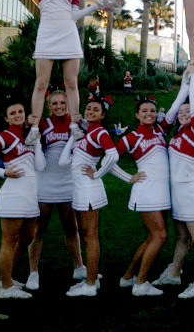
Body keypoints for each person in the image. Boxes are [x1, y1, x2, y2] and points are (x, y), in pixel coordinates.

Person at [0, 0, 109, 146]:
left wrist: (96, 7)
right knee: (41, 82)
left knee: (71, 83)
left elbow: (74, 16)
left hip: (68, 34)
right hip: (46, 34)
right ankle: (34, 126)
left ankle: (74, 124)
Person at [58, 94, 129, 297]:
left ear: (103, 114)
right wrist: (73, 134)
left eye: (95, 110)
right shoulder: (89, 134)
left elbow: (113, 155)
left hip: (89, 190)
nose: (90, 112)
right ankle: (91, 277)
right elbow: (64, 162)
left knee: (91, 237)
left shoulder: (100, 133)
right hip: (80, 191)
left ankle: (90, 284)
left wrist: (97, 173)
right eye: (88, 109)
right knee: (87, 235)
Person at [0, 97, 45, 299]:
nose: (17, 115)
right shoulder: (3, 137)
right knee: (10, 240)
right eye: (12, 113)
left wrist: (37, 141)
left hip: (30, 196)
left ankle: (3, 279)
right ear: (7, 118)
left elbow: (40, 166)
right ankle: (7, 287)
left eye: (20, 112)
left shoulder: (29, 137)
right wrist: (3, 173)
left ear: (25, 115)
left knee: (27, 238)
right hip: (13, 195)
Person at [152, 72, 194, 299]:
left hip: (193, 192)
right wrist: (186, 85)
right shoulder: (177, 133)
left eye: (189, 111)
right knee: (182, 238)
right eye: (181, 112)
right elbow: (170, 114)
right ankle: (174, 272)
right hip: (178, 192)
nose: (184, 113)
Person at [25, 90, 85, 291]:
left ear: (68, 104)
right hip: (45, 184)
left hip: (68, 183)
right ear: (49, 105)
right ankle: (33, 272)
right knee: (38, 230)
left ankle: (79, 266)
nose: (58, 107)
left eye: (62, 103)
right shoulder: (41, 124)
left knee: (71, 227)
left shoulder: (75, 123)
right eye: (55, 104)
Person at [114, 95, 171, 296]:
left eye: (152, 111)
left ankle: (128, 277)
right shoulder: (132, 138)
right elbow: (109, 160)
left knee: (152, 237)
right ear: (137, 115)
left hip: (162, 193)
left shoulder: (160, 131)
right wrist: (128, 177)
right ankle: (141, 283)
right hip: (147, 192)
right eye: (144, 111)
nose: (149, 114)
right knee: (160, 236)